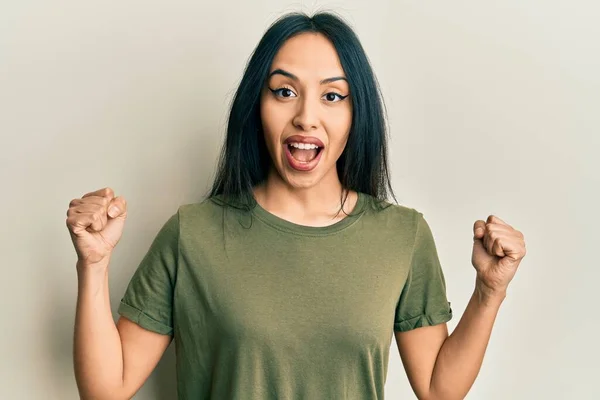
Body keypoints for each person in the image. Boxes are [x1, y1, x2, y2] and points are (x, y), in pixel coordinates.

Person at [66, 11, 526, 400]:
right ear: (256, 106)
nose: (306, 116)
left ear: (355, 113)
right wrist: (94, 264)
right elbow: (106, 388)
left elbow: (437, 387)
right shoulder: (193, 232)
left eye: (332, 96)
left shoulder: (402, 236)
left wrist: (489, 292)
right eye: (284, 91)